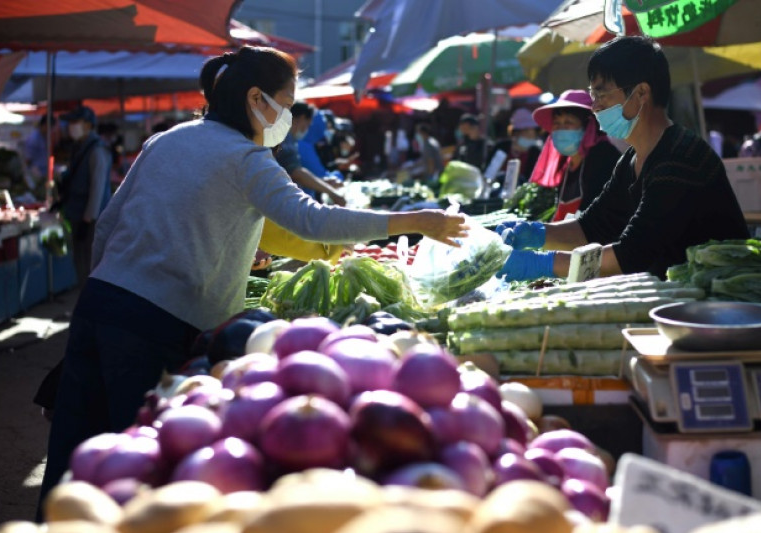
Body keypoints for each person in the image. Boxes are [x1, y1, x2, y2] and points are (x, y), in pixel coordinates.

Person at [36, 46, 467, 517]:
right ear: (257, 98)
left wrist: (110, 287)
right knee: (134, 469)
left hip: (100, 306)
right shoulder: (247, 159)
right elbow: (312, 221)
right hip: (156, 327)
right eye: (286, 99)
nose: (288, 111)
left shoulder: (168, 139)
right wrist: (415, 221)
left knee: (74, 462)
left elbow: (109, 223)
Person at [496, 36, 749, 281]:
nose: (594, 107)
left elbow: (631, 254)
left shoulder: (680, 159)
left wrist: (543, 264)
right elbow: (592, 227)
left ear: (640, 93)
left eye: (601, 95)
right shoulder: (631, 159)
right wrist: (534, 233)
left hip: (722, 303)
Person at [529, 89, 621, 221]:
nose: (561, 129)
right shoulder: (567, 166)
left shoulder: (603, 156)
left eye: (568, 123)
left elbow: (597, 215)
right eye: (557, 123)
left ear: (588, 125)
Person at [55, 105, 113, 287]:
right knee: (80, 264)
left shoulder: (97, 150)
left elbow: (97, 189)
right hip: (78, 216)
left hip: (91, 221)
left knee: (90, 266)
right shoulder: (79, 148)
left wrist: (88, 219)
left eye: (75, 122)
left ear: (88, 125)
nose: (71, 126)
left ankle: (92, 309)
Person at [277, 102, 346, 205]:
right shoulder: (284, 138)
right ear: (302, 118)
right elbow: (296, 173)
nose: (306, 130)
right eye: (307, 125)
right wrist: (332, 192)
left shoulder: (291, 140)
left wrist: (324, 182)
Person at [491, 108, 541, 185]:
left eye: (533, 134)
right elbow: (489, 172)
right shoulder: (501, 147)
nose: (530, 136)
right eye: (527, 133)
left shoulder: (535, 153)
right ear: (516, 133)